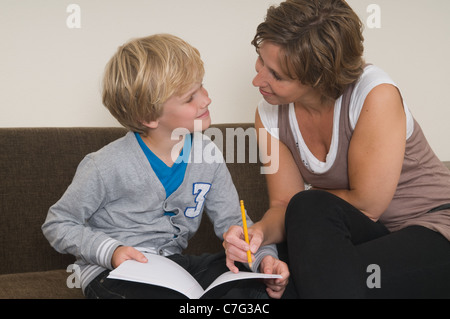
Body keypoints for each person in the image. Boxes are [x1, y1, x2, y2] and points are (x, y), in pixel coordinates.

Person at [223, 0, 450, 298]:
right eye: (260, 61)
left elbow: (367, 206)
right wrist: (259, 233)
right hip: (360, 239)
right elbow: (283, 205)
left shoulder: (374, 94)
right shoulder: (269, 112)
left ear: (319, 78)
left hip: (432, 228)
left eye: (276, 75)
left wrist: (299, 206)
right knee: (273, 275)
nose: (257, 80)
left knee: (307, 235)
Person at [42, 33, 289, 299]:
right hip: (114, 273)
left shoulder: (208, 154)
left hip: (174, 267)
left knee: (250, 281)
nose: (206, 99)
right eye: (189, 97)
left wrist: (261, 259)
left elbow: (233, 221)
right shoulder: (105, 165)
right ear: (148, 117)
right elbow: (58, 223)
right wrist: (111, 252)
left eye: (201, 87)